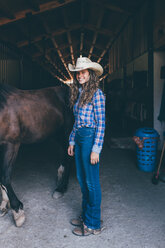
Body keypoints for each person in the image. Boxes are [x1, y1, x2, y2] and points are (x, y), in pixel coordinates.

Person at [67, 55, 106, 236]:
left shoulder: (97, 94)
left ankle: (93, 224)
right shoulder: (81, 93)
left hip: (91, 138)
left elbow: (101, 123)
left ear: (90, 74)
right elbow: (77, 122)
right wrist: (72, 140)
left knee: (91, 183)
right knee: (82, 181)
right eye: (77, 73)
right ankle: (86, 216)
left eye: (83, 72)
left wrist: (96, 149)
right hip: (81, 137)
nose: (80, 75)